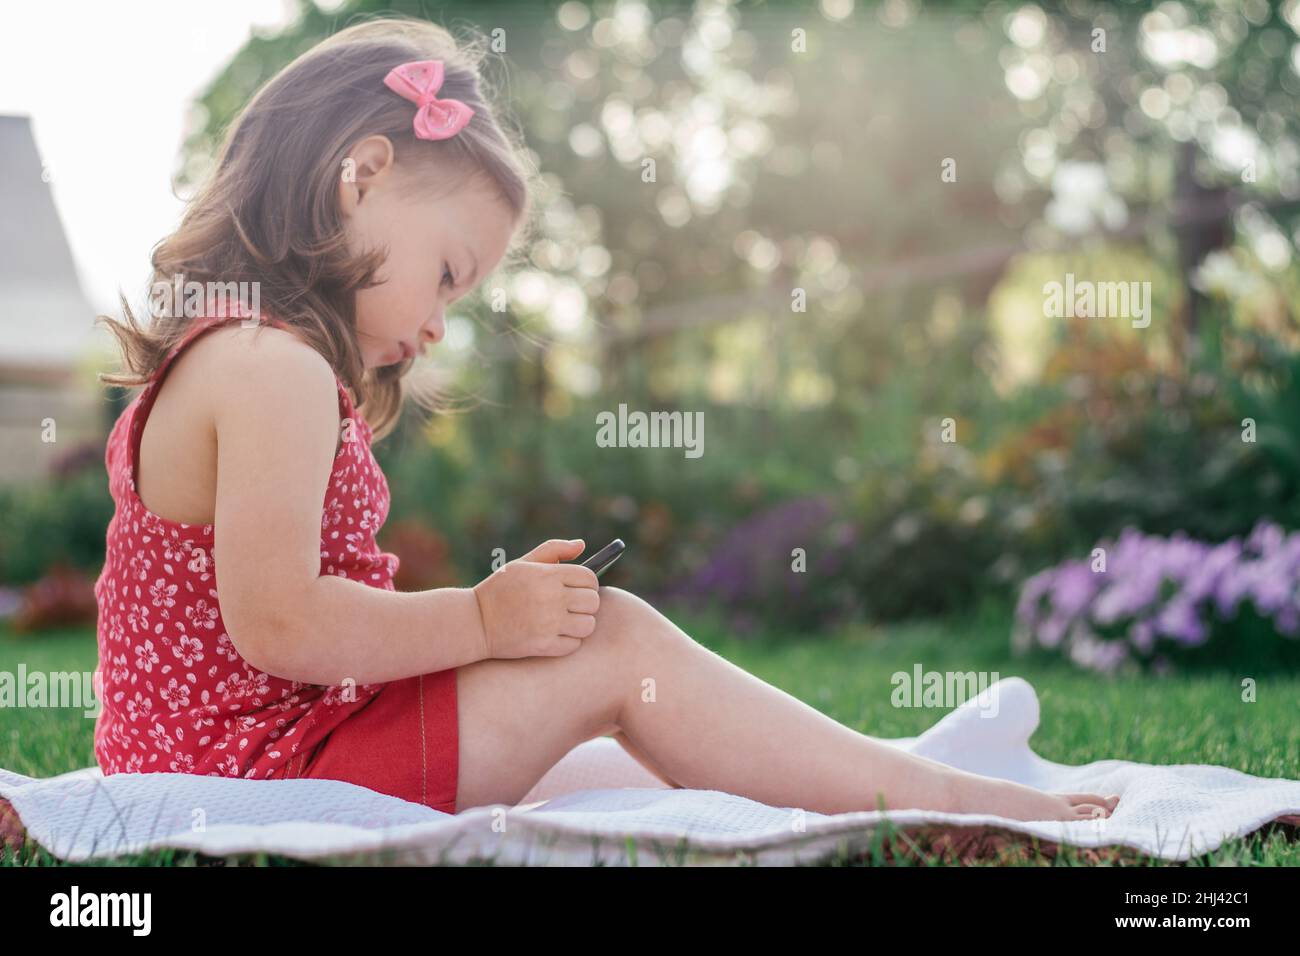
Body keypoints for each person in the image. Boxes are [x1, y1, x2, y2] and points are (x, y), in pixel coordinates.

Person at [93, 15, 1118, 822]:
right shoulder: (270, 368)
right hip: (257, 771)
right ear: (359, 177)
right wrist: (482, 620)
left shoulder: (238, 349)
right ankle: (941, 800)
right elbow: (281, 623)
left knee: (608, 753)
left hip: (250, 747)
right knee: (618, 643)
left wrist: (491, 638)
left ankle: (867, 772)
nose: (441, 325)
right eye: (448, 275)